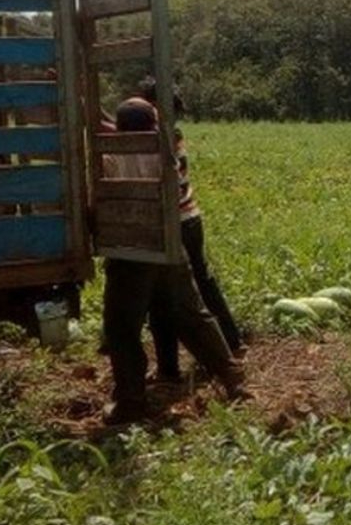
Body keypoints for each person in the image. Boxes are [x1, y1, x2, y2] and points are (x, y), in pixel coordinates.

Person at [100, 98, 249, 424]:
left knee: (122, 329)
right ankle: (232, 378)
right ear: (152, 126)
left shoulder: (110, 155)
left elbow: (106, 137)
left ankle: (131, 402)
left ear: (121, 129)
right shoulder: (166, 151)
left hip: (131, 253)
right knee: (193, 314)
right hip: (169, 246)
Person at [134, 78, 246, 384]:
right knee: (202, 284)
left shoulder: (158, 135)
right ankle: (231, 342)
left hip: (178, 224)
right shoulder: (170, 132)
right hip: (191, 219)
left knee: (172, 297)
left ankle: (180, 365)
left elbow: (113, 127)